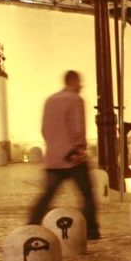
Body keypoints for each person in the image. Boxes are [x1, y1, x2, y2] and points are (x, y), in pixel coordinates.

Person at [26, 70, 100, 237]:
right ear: (73, 82)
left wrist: (53, 146)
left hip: (53, 157)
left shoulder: (50, 100)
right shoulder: (76, 100)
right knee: (87, 193)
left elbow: (44, 129)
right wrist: (80, 148)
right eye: (79, 82)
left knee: (47, 194)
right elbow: (77, 127)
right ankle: (91, 230)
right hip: (73, 158)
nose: (81, 86)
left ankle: (31, 223)